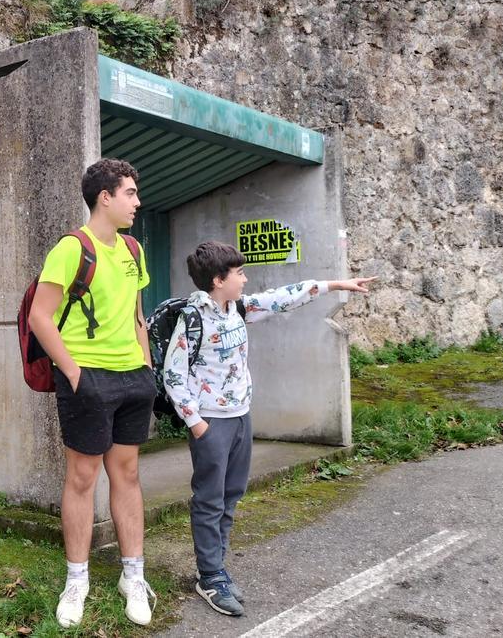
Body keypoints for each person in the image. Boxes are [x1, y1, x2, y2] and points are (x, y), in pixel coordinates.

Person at [162, 241, 375, 617]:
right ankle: (210, 576)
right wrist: (197, 425)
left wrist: (337, 285)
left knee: (231, 494)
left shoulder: (238, 307)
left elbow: (283, 298)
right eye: (239, 273)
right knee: (210, 500)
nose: (245, 279)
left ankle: (218, 566)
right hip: (210, 423)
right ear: (217, 279)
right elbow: (173, 374)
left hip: (241, 416)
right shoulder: (194, 317)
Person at [27, 158, 159, 628]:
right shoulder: (70, 249)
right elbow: (39, 317)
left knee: (127, 475)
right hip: (88, 379)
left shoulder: (134, 251)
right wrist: (74, 372)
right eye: (129, 193)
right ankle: (77, 579)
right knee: (82, 478)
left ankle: (133, 575)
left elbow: (137, 315)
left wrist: (145, 365)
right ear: (105, 196)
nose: (137, 203)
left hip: (132, 379)